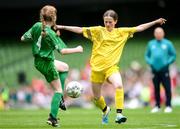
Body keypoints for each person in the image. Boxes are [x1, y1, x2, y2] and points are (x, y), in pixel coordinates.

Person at [57, 9, 166, 124]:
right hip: (96, 70)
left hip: (111, 68)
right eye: (106, 22)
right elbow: (79, 29)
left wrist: (155, 22)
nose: (108, 24)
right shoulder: (98, 31)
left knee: (119, 85)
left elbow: (139, 27)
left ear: (115, 21)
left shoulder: (122, 32)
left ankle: (119, 114)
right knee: (97, 98)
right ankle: (105, 110)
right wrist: (62, 27)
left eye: (110, 22)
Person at [21, 5, 83, 127]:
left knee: (65, 67)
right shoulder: (51, 34)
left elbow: (23, 38)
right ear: (54, 17)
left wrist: (39, 38)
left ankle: (59, 100)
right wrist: (77, 49)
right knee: (58, 90)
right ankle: (53, 118)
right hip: (47, 63)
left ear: (42, 16)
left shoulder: (36, 26)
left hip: (38, 61)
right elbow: (63, 51)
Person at [145, 27, 176, 113]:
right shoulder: (151, 44)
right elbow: (147, 55)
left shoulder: (168, 43)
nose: (158, 34)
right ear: (154, 34)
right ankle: (157, 106)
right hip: (154, 69)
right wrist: (150, 62)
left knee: (167, 87)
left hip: (164, 69)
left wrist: (167, 62)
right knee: (156, 88)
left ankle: (168, 105)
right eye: (156, 33)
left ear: (163, 33)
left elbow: (173, 55)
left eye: (160, 32)